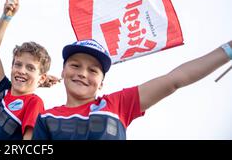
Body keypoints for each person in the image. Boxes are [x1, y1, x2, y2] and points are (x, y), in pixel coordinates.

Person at [32, 39, 232, 140]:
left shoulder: (119, 103)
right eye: (75, 66)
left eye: (93, 70)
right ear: (63, 71)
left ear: (101, 82)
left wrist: (229, 49)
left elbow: (175, 80)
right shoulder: (46, 118)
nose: (83, 73)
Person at [0, 0, 51, 140]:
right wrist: (6, 17)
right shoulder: (3, 90)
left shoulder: (34, 102)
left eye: (30, 68)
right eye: (18, 64)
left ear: (41, 78)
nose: (21, 71)